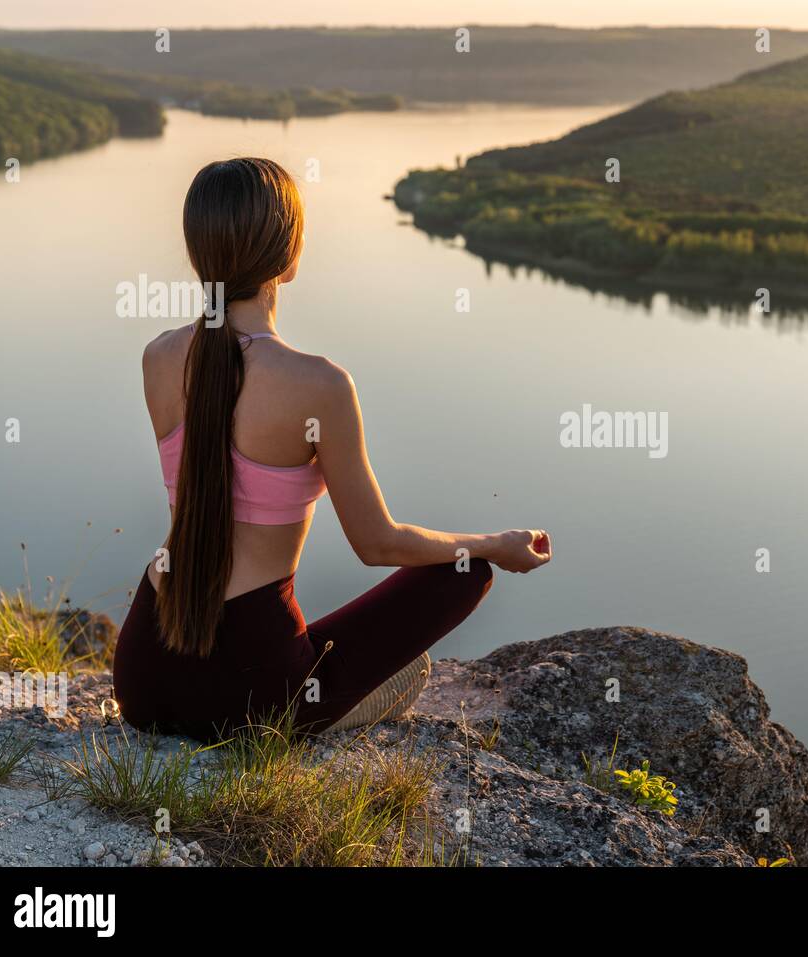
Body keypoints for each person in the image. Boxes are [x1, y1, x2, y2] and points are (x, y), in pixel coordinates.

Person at [112, 157, 550, 742]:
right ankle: (338, 698)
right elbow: (378, 543)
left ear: (198, 252)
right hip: (250, 695)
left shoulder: (158, 357)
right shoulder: (319, 385)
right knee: (463, 576)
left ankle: (325, 680)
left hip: (144, 675)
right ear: (288, 255)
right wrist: (494, 544)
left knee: (329, 647)